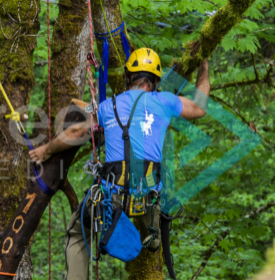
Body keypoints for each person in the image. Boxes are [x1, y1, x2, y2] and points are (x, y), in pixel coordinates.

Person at [29, 48, 210, 280]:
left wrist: (46, 150)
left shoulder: (108, 106)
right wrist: (203, 60)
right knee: (153, 206)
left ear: (127, 77)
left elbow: (75, 132)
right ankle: (151, 236)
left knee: (77, 232)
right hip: (148, 198)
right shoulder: (165, 102)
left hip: (110, 199)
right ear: (155, 82)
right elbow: (200, 107)